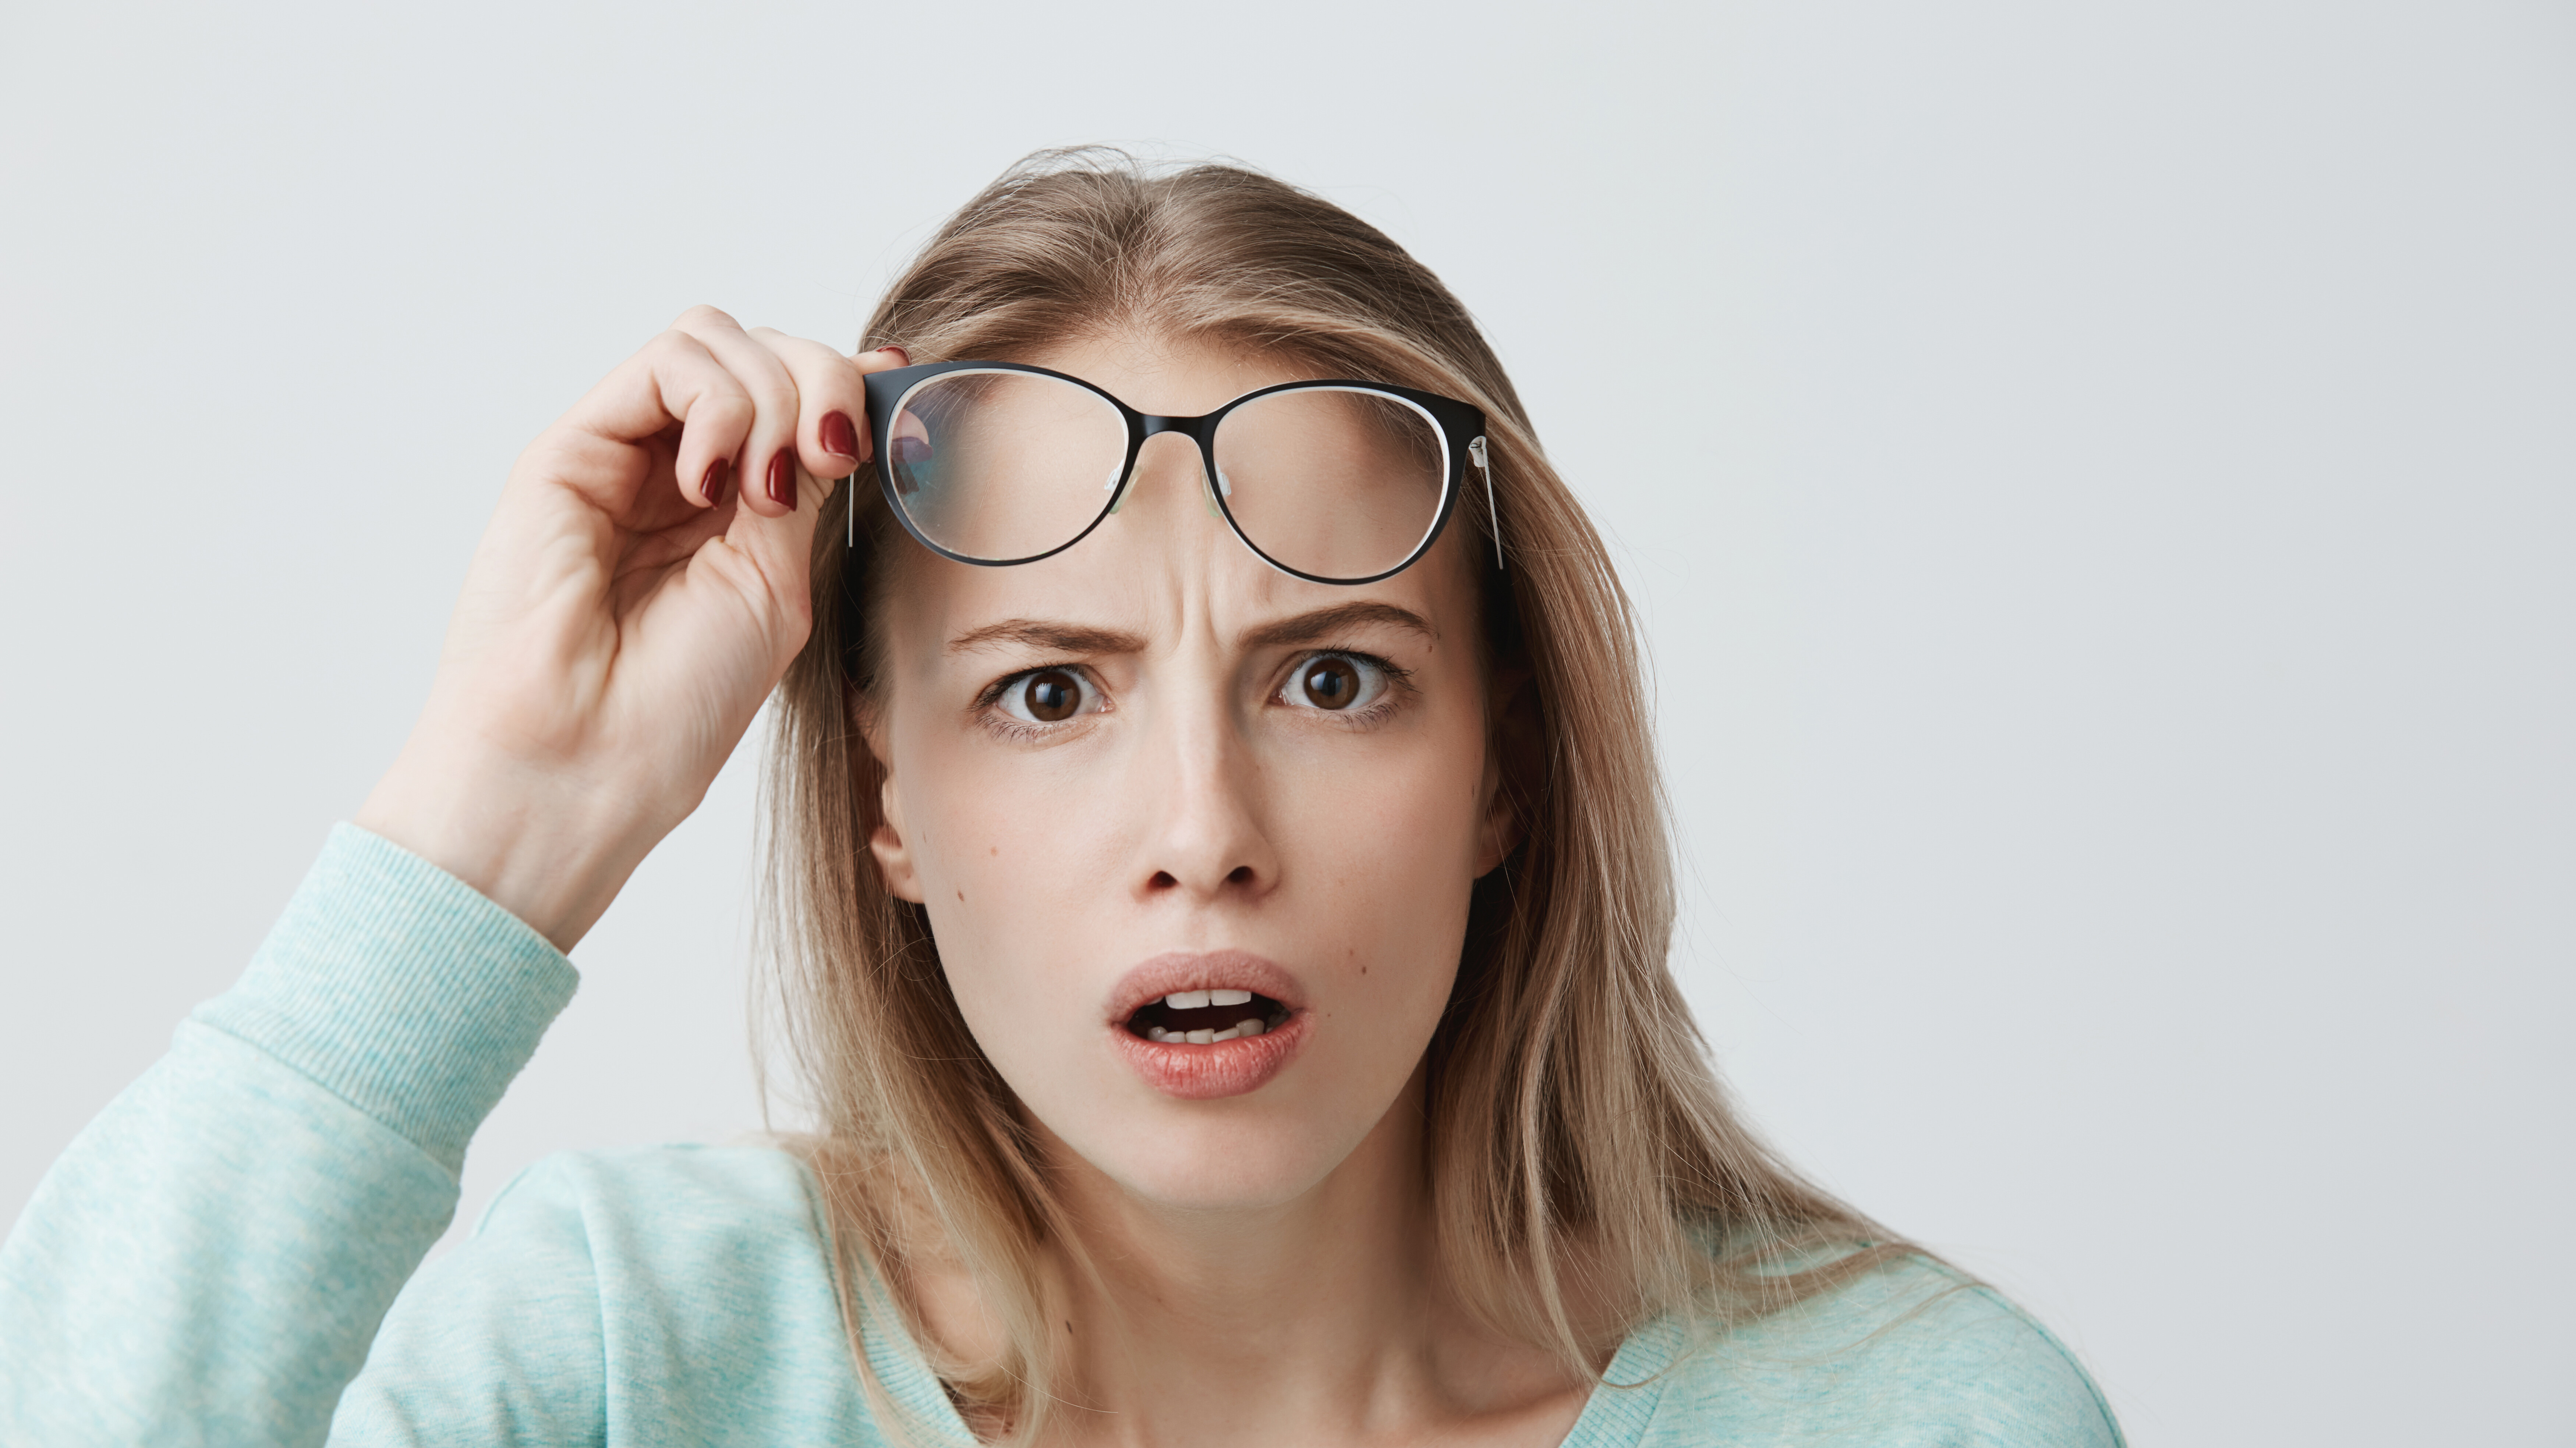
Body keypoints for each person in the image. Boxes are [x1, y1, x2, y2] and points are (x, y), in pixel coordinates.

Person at [0, 151, 2122, 1446]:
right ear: (885, 804)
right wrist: (502, 817)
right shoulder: (629, 1358)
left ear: (1506, 770)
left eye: (1333, 677)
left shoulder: (1908, 1418)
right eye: (1044, 691)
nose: (1203, 827)